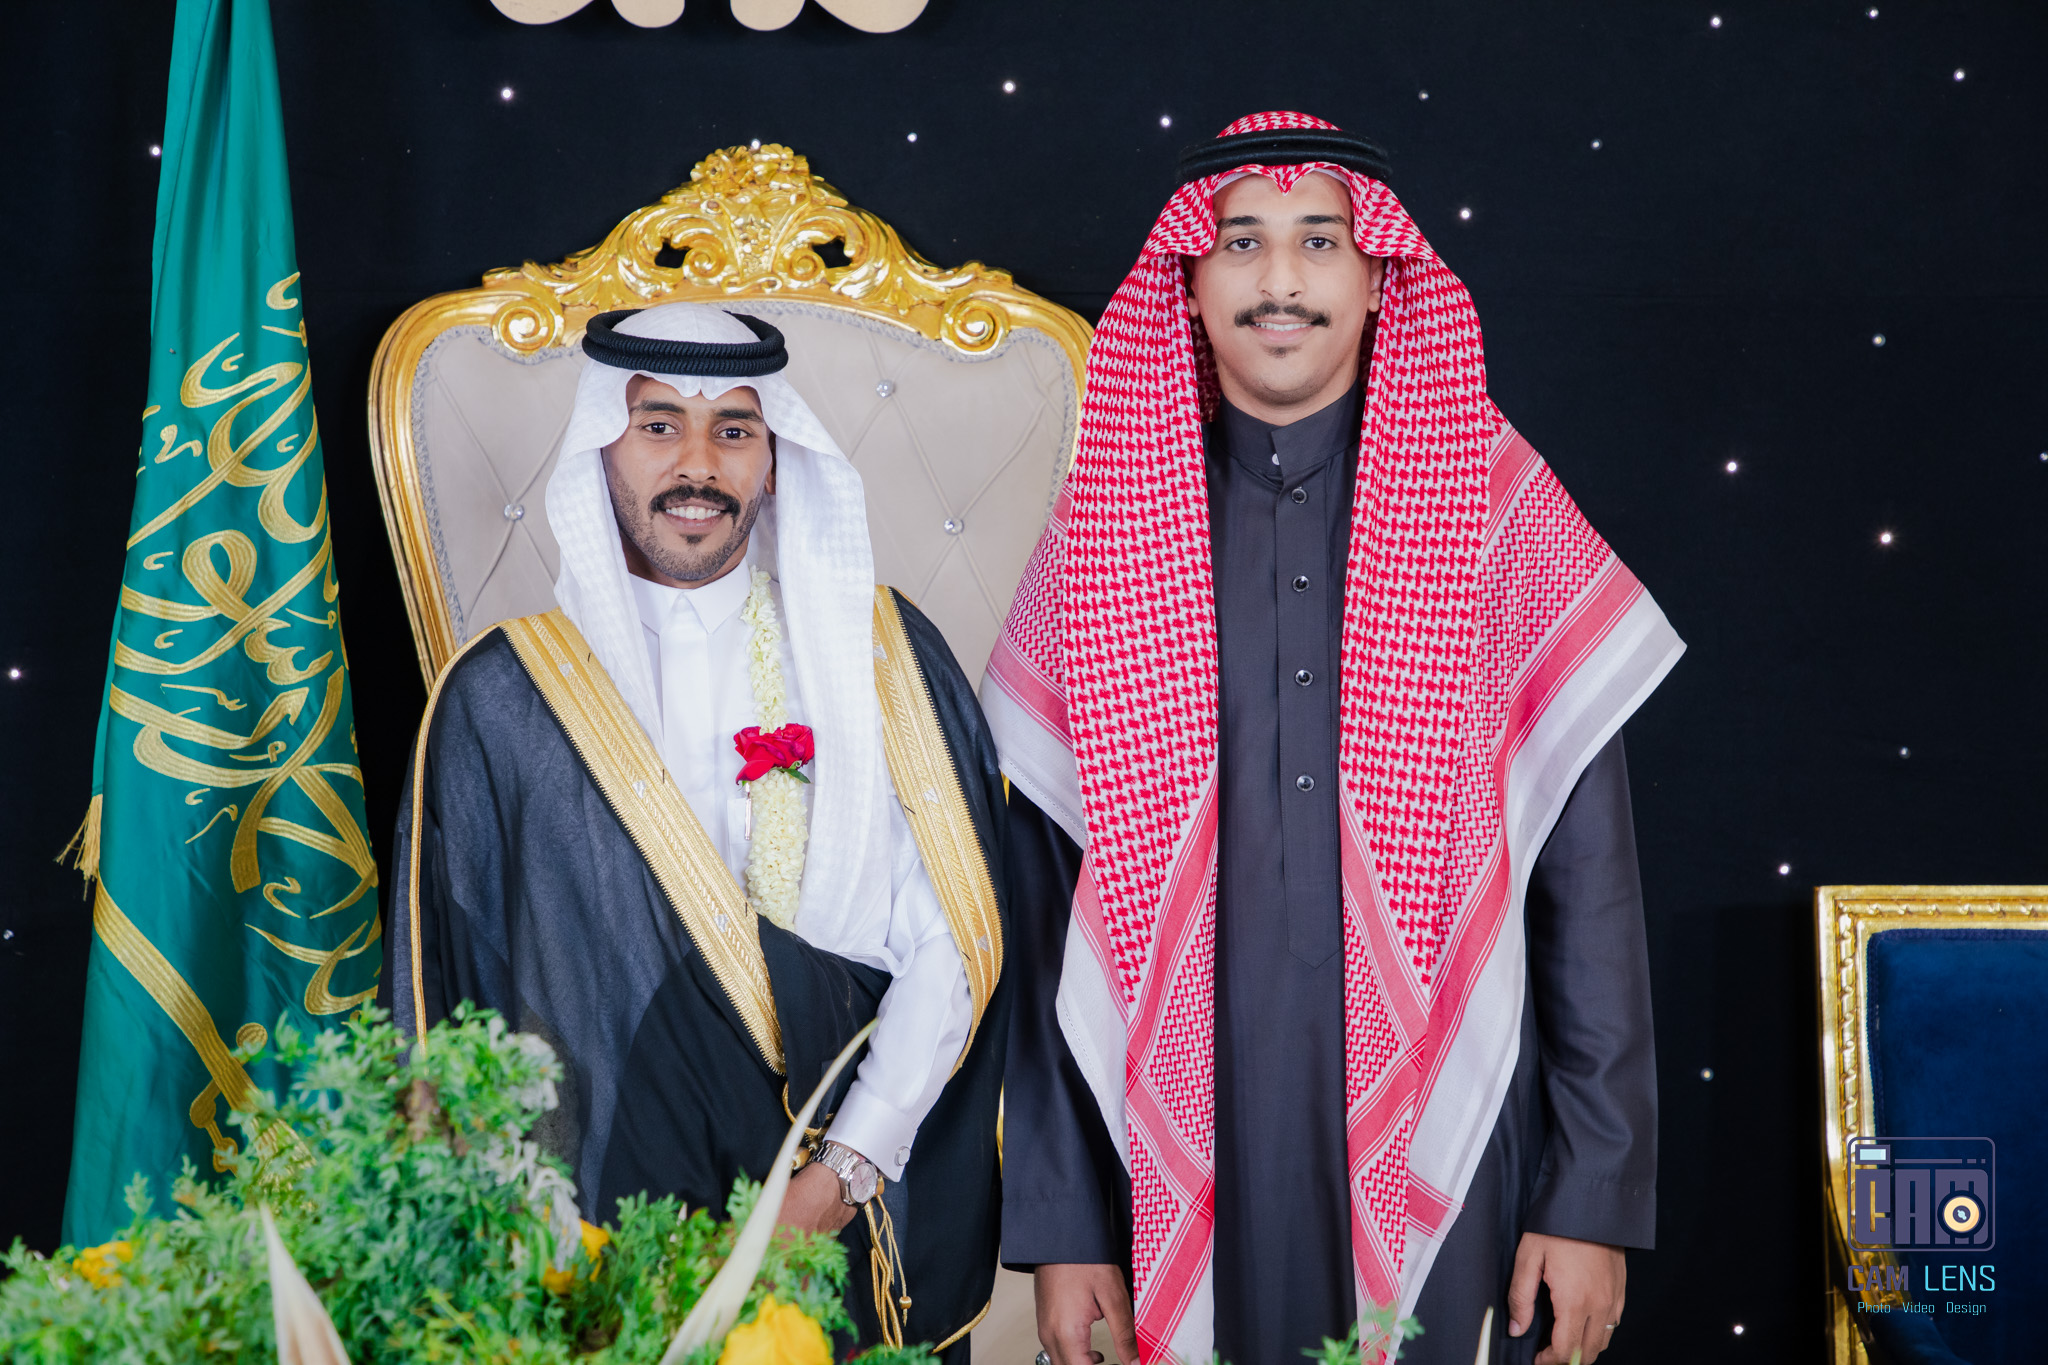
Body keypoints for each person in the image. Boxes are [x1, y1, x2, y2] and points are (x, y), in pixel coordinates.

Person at [985, 113, 1683, 1365]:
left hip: (1450, 1117)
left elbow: (1589, 893)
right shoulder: (1104, 529)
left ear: (1376, 280)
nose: (1280, 279)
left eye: (1319, 241)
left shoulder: (1494, 516)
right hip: (1174, 1129)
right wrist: (1063, 1227)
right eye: (1240, 243)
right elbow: (1041, 915)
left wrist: (1588, 1196)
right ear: (1187, 285)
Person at [381, 302, 1009, 1358]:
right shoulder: (503, 699)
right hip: (592, 1234)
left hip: (836, 1207)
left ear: (776, 457)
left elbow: (954, 938)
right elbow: (457, 1005)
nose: (698, 465)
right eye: (658, 424)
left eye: (734, 429)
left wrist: (840, 1175)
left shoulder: (881, 656)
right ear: (603, 446)